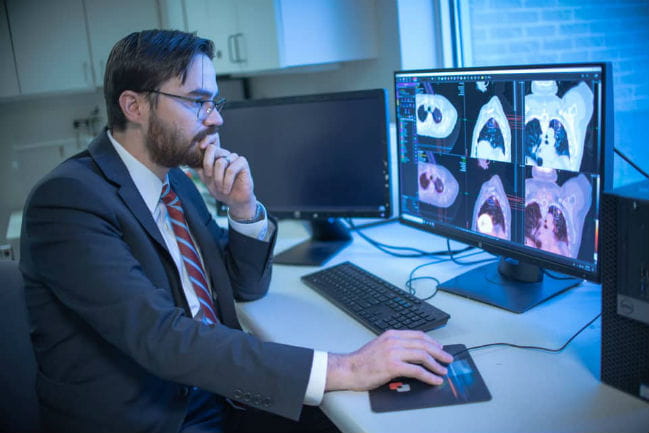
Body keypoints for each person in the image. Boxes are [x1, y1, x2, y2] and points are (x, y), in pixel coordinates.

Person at [19, 29, 453, 433]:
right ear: (134, 106)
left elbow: (243, 287)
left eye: (215, 104)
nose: (215, 120)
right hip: (155, 418)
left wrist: (243, 208)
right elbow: (163, 339)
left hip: (217, 397)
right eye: (197, 102)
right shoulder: (68, 202)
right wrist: (348, 368)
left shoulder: (176, 184)